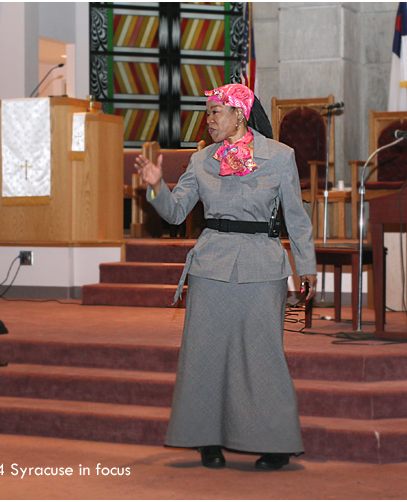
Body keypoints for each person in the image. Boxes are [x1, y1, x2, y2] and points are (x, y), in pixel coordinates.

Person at [134, 83, 317, 470]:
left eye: (216, 111)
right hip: (211, 264)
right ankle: (206, 439)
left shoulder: (280, 157)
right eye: (208, 112)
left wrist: (307, 267)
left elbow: (297, 219)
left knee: (262, 357)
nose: (209, 118)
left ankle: (275, 442)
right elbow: (175, 212)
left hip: (262, 265)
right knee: (204, 356)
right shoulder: (201, 160)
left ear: (240, 115)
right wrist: (155, 187)